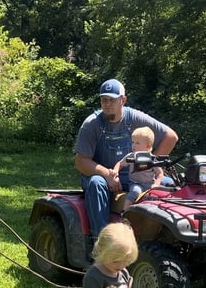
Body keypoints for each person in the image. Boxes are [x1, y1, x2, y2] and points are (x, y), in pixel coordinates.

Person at [74, 78, 178, 241]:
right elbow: (80, 162)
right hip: (101, 176)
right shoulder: (92, 124)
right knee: (96, 183)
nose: (107, 104)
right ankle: (101, 241)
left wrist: (151, 164)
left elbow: (170, 137)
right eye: (103, 100)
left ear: (123, 100)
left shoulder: (135, 118)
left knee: (172, 184)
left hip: (135, 176)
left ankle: (169, 237)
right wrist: (107, 174)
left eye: (112, 100)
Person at [113, 126, 164, 211]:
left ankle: (152, 214)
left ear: (148, 146)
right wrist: (115, 171)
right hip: (135, 183)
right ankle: (125, 212)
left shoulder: (152, 158)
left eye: (137, 143)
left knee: (160, 193)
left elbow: (160, 173)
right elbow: (120, 164)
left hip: (149, 184)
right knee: (135, 192)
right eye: (132, 142)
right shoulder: (131, 156)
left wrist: (156, 184)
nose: (133, 145)